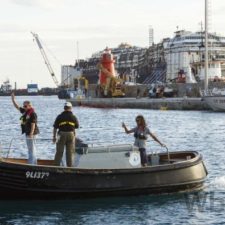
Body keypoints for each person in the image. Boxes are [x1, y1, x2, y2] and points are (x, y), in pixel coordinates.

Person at [11, 92, 39, 164]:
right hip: (27, 132)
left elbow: (33, 124)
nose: (24, 107)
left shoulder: (32, 113)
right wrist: (13, 99)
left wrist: (31, 134)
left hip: (32, 133)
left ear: (29, 106)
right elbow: (17, 107)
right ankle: (33, 163)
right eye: (24, 106)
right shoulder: (25, 111)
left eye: (25, 106)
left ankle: (31, 164)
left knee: (32, 149)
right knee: (30, 149)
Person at [53, 102, 79, 167]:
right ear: (71, 108)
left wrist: (54, 137)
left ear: (64, 108)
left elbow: (55, 128)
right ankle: (69, 167)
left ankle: (56, 167)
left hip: (61, 134)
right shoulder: (73, 117)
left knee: (59, 151)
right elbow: (77, 126)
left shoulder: (59, 116)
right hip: (71, 134)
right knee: (70, 152)